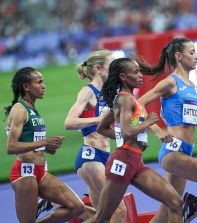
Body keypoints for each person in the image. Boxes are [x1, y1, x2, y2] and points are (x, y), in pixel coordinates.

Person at [133, 37, 197, 223]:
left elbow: (191, 121)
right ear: (179, 56)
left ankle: (183, 214)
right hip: (173, 151)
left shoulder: (191, 87)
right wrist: (157, 131)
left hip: (185, 149)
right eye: (192, 52)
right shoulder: (170, 82)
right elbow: (137, 105)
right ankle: (191, 210)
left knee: (167, 212)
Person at [83, 58, 183, 223]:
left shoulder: (127, 100)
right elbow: (127, 132)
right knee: (102, 217)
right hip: (122, 162)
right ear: (123, 76)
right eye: (135, 72)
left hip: (136, 162)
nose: (140, 76)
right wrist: (147, 122)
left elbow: (102, 127)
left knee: (175, 202)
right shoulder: (124, 99)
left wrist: (125, 136)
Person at [5, 67, 85, 223]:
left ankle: (43, 205)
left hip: (40, 171)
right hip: (25, 173)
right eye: (39, 82)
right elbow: (11, 147)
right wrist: (44, 142)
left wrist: (45, 147)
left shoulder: (32, 108)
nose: (44, 86)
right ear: (26, 87)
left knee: (77, 207)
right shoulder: (19, 109)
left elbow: (30, 142)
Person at [64, 49, 127, 222]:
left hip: (106, 156)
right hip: (90, 157)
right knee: (119, 210)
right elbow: (69, 122)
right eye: (112, 65)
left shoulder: (109, 94)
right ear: (98, 69)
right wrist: (98, 119)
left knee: (102, 217)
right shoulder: (88, 91)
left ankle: (60, 209)